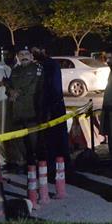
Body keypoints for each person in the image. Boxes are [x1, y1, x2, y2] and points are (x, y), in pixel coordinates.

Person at [32, 46, 70, 176]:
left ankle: (56, 169)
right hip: (52, 107)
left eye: (36, 50)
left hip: (52, 109)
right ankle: (60, 167)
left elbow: (50, 89)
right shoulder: (48, 64)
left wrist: (47, 109)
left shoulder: (49, 65)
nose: (34, 54)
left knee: (53, 140)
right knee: (54, 140)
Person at [6, 48, 43, 169]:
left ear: (31, 56)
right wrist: (10, 91)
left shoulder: (36, 69)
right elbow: (9, 85)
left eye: (26, 54)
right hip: (17, 111)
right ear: (18, 56)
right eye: (21, 54)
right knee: (19, 139)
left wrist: (18, 93)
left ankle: (36, 161)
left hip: (31, 109)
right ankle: (25, 161)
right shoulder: (15, 70)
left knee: (34, 139)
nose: (24, 57)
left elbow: (35, 86)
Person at [0, 48, 18, 167]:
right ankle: (6, 158)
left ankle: (18, 157)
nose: (6, 55)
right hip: (2, 101)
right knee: (2, 128)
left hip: (17, 102)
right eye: (4, 54)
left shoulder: (19, 66)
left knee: (16, 129)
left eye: (8, 53)